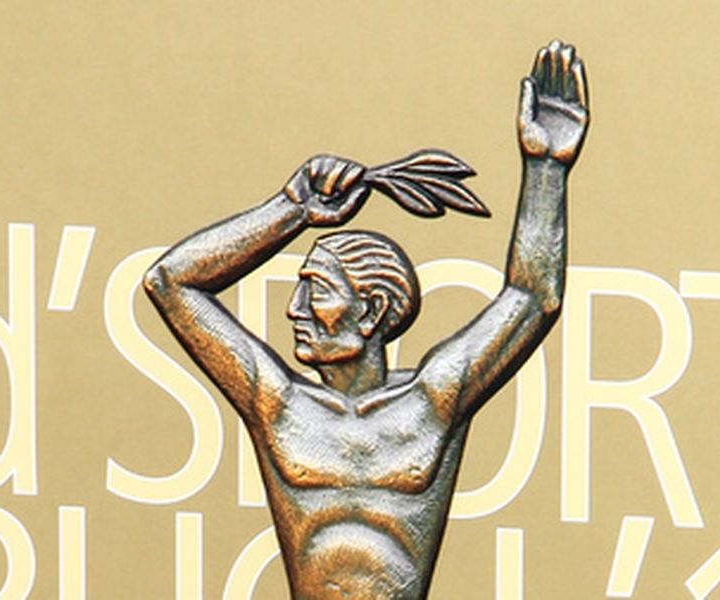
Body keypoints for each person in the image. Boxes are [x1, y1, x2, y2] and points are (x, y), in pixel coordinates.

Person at [143, 40, 589, 599]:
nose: (295, 309)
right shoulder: (277, 402)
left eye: (316, 291)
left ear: (372, 310)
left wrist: (546, 169)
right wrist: (291, 210)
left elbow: (532, 296)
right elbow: (171, 281)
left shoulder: (433, 400)